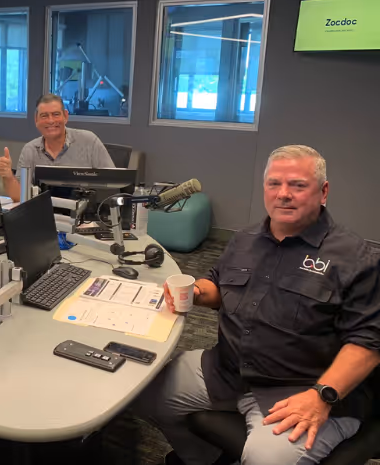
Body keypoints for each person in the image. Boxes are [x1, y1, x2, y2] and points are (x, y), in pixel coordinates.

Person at [134, 145, 380, 465]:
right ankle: (203, 459)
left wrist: (322, 396)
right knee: (146, 396)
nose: (283, 194)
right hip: (227, 370)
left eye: (298, 185)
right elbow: (218, 284)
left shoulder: (355, 258)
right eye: (274, 183)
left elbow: (368, 342)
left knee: (266, 458)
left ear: (323, 192)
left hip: (303, 389)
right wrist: (196, 291)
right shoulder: (245, 238)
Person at [0, 93, 115, 201]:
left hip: (84, 214)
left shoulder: (89, 141)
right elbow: (20, 196)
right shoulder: (30, 150)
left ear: (65, 116)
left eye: (56, 114)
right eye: (44, 116)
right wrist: (8, 176)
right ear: (36, 120)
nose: (51, 121)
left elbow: (113, 185)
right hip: (43, 213)